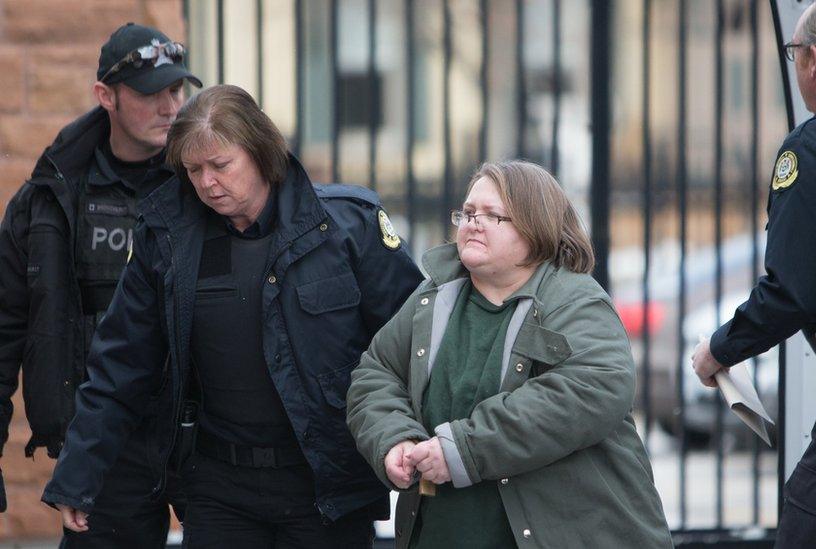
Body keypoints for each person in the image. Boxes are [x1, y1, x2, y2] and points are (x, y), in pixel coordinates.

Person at [41, 84, 424, 548]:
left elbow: (414, 343)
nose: (206, 183)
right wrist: (80, 472)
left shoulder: (347, 226)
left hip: (325, 483)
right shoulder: (167, 239)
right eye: (193, 170)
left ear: (260, 152)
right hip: (219, 487)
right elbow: (120, 363)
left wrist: (423, 444)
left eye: (220, 166)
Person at [347, 160, 673, 548]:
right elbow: (376, 373)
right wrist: (394, 438)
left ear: (536, 226)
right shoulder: (433, 298)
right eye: (467, 213)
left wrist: (465, 449)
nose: (472, 223)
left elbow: (594, 387)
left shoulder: (573, 300)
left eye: (492, 215)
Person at [691, 1, 816, 547]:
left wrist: (720, 349)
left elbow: (798, 285)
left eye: (793, 52)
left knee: (810, 525)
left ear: (813, 60)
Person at [0, 22, 201, 547]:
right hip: (105, 441)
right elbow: (4, 331)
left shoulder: (205, 182)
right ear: (105, 96)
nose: (170, 106)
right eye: (151, 93)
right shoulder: (50, 197)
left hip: (202, 431)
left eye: (177, 90)